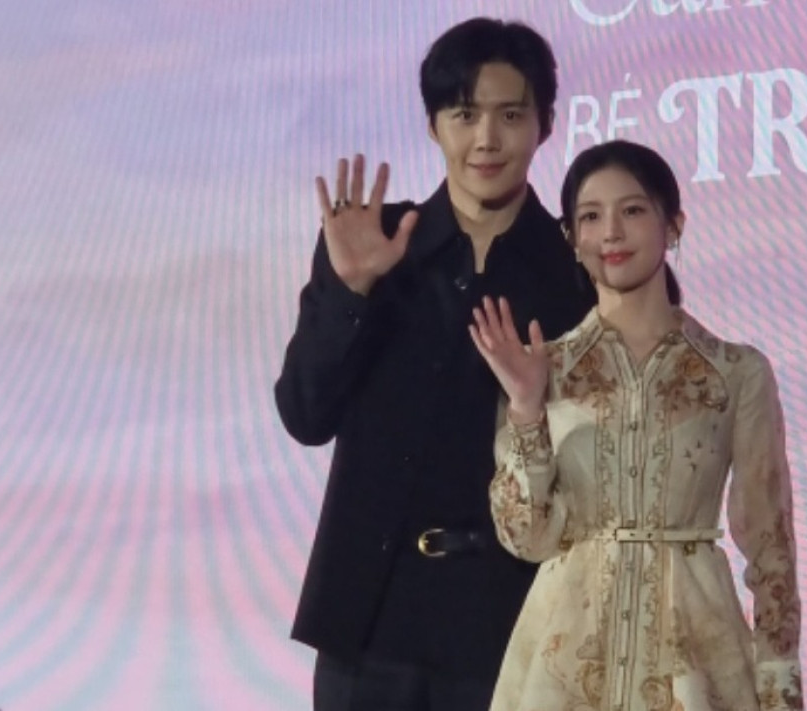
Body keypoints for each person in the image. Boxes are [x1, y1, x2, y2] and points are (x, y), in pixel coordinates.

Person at [273, 17, 594, 710]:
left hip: (512, 625)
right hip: (370, 622)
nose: (486, 139)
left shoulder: (574, 272)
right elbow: (304, 414)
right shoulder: (374, 241)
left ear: (544, 124)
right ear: (432, 125)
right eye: (464, 114)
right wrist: (352, 290)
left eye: (511, 115)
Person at [468, 139, 805, 711]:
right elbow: (527, 539)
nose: (611, 233)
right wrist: (525, 404)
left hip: (695, 660)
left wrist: (779, 687)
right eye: (590, 217)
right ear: (572, 239)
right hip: (564, 663)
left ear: (673, 225)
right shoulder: (542, 368)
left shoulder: (735, 372)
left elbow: (771, 546)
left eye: (632, 210)